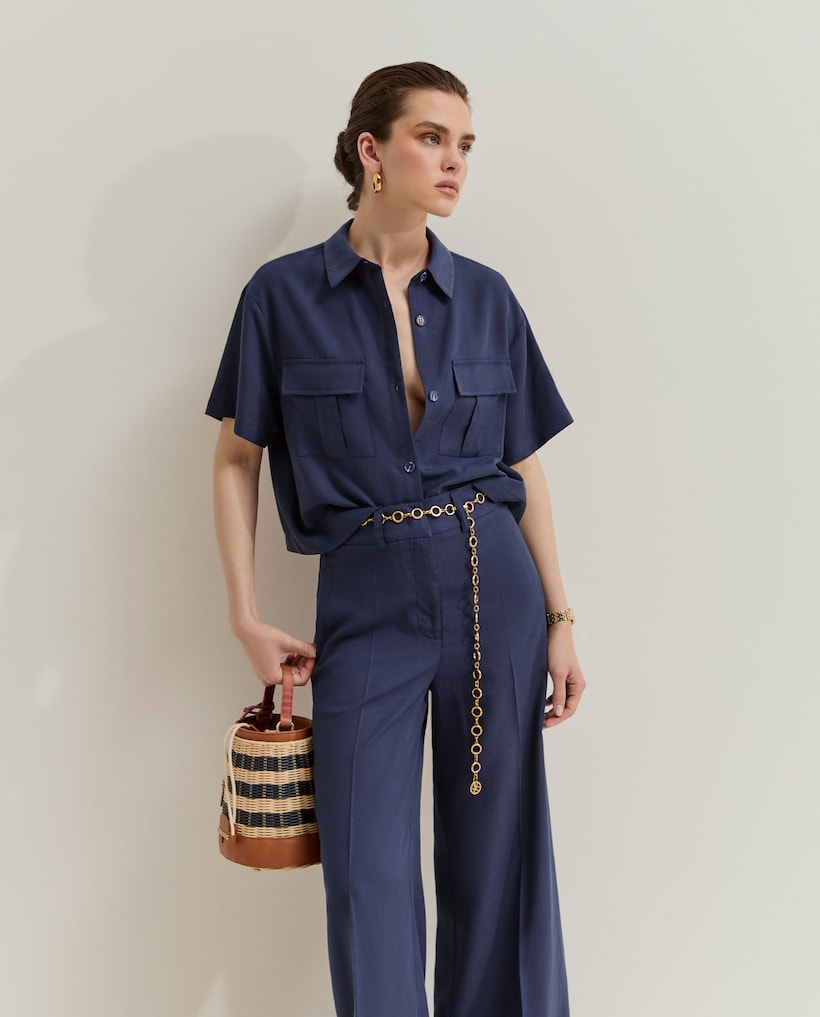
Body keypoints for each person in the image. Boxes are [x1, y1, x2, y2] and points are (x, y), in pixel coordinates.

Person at [206, 61, 586, 1017]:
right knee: (365, 870)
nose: (455, 161)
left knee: (497, 858)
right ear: (371, 151)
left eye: (466, 144)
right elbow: (236, 459)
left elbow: (525, 467)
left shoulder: (488, 297)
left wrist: (560, 618)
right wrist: (245, 614)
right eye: (432, 137)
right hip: (366, 594)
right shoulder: (282, 295)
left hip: (492, 585)